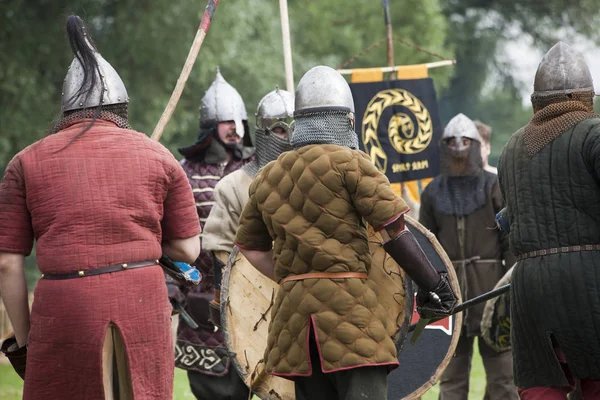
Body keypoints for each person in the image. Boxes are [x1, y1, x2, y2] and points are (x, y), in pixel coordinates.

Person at [0, 15, 201, 400]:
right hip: (140, 300)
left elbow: (8, 263)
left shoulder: (25, 162)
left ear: (66, 109)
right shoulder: (158, 156)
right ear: (121, 105)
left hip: (65, 307)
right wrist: (137, 241)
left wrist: (28, 343)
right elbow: (189, 250)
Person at [233, 66, 458, 400]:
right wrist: (435, 287)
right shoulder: (352, 163)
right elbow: (393, 231)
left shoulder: (268, 175)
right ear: (346, 121)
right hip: (350, 316)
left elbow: (249, 248)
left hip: (294, 325)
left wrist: (291, 277)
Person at [497, 41, 600, 399]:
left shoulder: (510, 147)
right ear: (586, 95)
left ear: (536, 99)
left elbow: (512, 216)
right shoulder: (594, 133)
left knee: (543, 388)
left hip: (529, 287)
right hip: (589, 279)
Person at [168, 68, 254, 399]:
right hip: (203, 302)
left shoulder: (259, 167)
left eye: (239, 120)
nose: (235, 128)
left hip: (256, 295)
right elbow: (170, 237)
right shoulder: (182, 173)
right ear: (210, 126)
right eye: (226, 121)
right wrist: (176, 284)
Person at [419, 113, 517, 400]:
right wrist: (431, 289)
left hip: (492, 292)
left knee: (502, 380)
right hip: (451, 295)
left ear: (475, 145)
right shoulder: (433, 192)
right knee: (452, 382)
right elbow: (424, 248)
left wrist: (511, 286)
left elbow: (509, 241)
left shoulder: (493, 185)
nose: (459, 146)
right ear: (444, 147)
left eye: (465, 141)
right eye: (452, 141)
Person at [202, 87, 294, 327]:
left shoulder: (317, 179)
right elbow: (222, 252)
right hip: (255, 303)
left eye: (295, 128)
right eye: (280, 130)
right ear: (263, 133)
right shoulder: (232, 186)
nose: (290, 137)